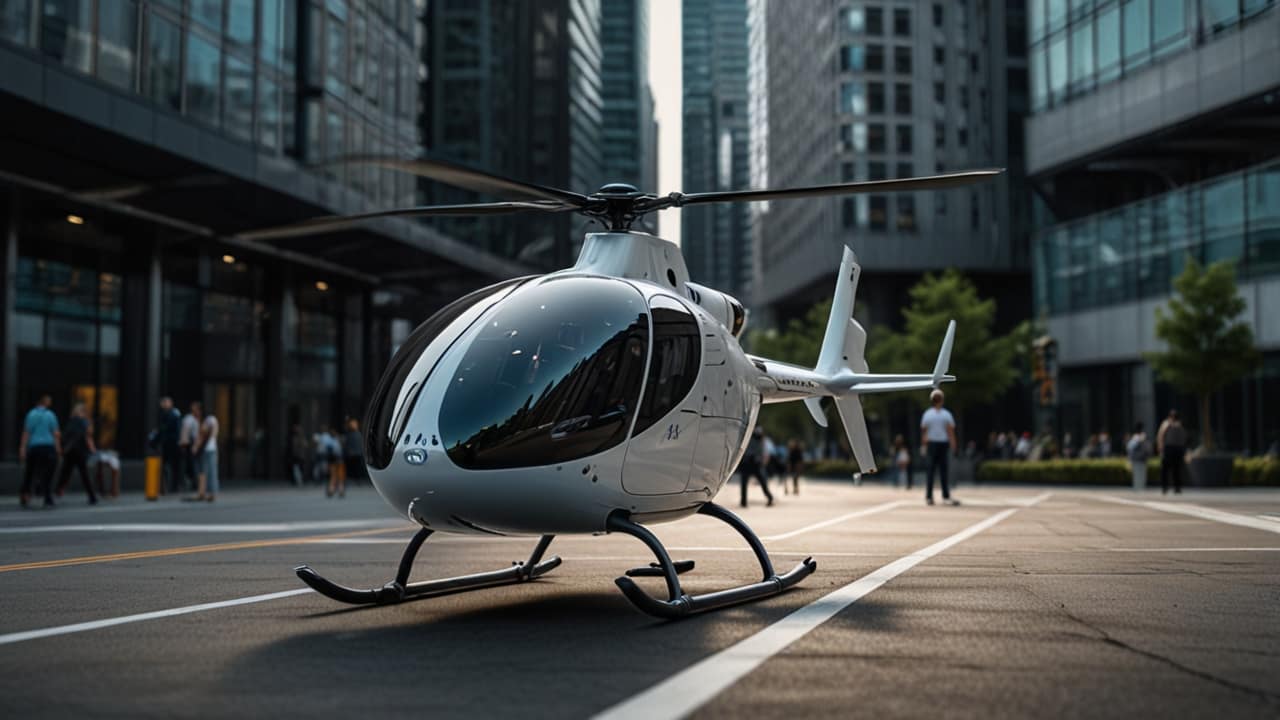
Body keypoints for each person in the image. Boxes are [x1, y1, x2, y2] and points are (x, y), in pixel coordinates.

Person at [19, 394, 61, 508]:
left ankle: (25, 494)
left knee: (30, 471)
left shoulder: (31, 414)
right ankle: (47, 496)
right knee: (48, 472)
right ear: (44, 402)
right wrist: (58, 448)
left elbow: (26, 432)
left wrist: (22, 447)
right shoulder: (50, 414)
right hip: (48, 446)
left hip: (34, 446)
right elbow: (55, 433)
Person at [920, 389, 958, 506]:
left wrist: (923, 445)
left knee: (930, 471)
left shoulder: (927, 414)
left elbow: (924, 432)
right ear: (941, 400)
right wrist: (953, 444)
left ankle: (929, 497)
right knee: (943, 471)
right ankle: (945, 495)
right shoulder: (946, 414)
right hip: (942, 444)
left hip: (931, 444)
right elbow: (950, 431)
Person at [56, 402, 98, 505]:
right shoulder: (85, 422)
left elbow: (64, 436)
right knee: (84, 474)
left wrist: (62, 449)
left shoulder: (71, 421)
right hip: (80, 451)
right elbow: (88, 436)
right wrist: (92, 448)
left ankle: (58, 490)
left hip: (70, 451)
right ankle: (92, 496)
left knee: (65, 472)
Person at [188, 401, 220, 502]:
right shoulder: (197, 421)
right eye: (192, 410)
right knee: (202, 471)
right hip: (202, 450)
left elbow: (212, 432)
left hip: (209, 449)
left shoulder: (210, 419)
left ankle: (212, 493)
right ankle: (202, 492)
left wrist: (198, 444)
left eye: (195, 410)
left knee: (211, 471)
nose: (194, 412)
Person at [738, 428, 774, 508]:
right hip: (748, 462)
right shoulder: (748, 438)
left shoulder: (760, 440)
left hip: (755, 463)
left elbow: (762, 452)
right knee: (745, 483)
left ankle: (769, 497)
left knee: (762, 482)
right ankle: (743, 501)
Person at [1156, 409, 1187, 495]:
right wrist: (1161, 448)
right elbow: (1161, 436)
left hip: (1173, 449)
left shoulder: (1173, 424)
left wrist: (1160, 448)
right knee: (1170, 469)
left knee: (1174, 469)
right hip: (1172, 449)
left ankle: (1175, 487)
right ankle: (1168, 487)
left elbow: (1160, 436)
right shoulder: (1169, 424)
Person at [156, 396, 182, 494]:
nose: (163, 405)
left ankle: (174, 486)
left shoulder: (173, 414)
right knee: (166, 465)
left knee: (174, 465)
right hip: (167, 443)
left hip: (173, 443)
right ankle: (165, 486)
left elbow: (166, 429)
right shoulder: (164, 414)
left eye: (165, 402)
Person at [178, 404, 199, 491]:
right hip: (189, 443)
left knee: (192, 464)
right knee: (190, 464)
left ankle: (194, 483)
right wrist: (184, 443)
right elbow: (185, 432)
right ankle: (190, 482)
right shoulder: (189, 419)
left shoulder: (195, 419)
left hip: (193, 443)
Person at [1127, 422, 1150, 491]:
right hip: (1140, 458)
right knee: (1140, 474)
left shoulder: (1137, 437)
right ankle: (1139, 488)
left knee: (1139, 474)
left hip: (1139, 458)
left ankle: (1139, 487)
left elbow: (1129, 448)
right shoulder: (1138, 437)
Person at [342, 417, 365, 482]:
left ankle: (356, 478)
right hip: (355, 453)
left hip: (355, 453)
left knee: (355, 466)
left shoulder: (355, 434)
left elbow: (348, 444)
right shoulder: (355, 434)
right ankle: (356, 478)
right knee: (355, 466)